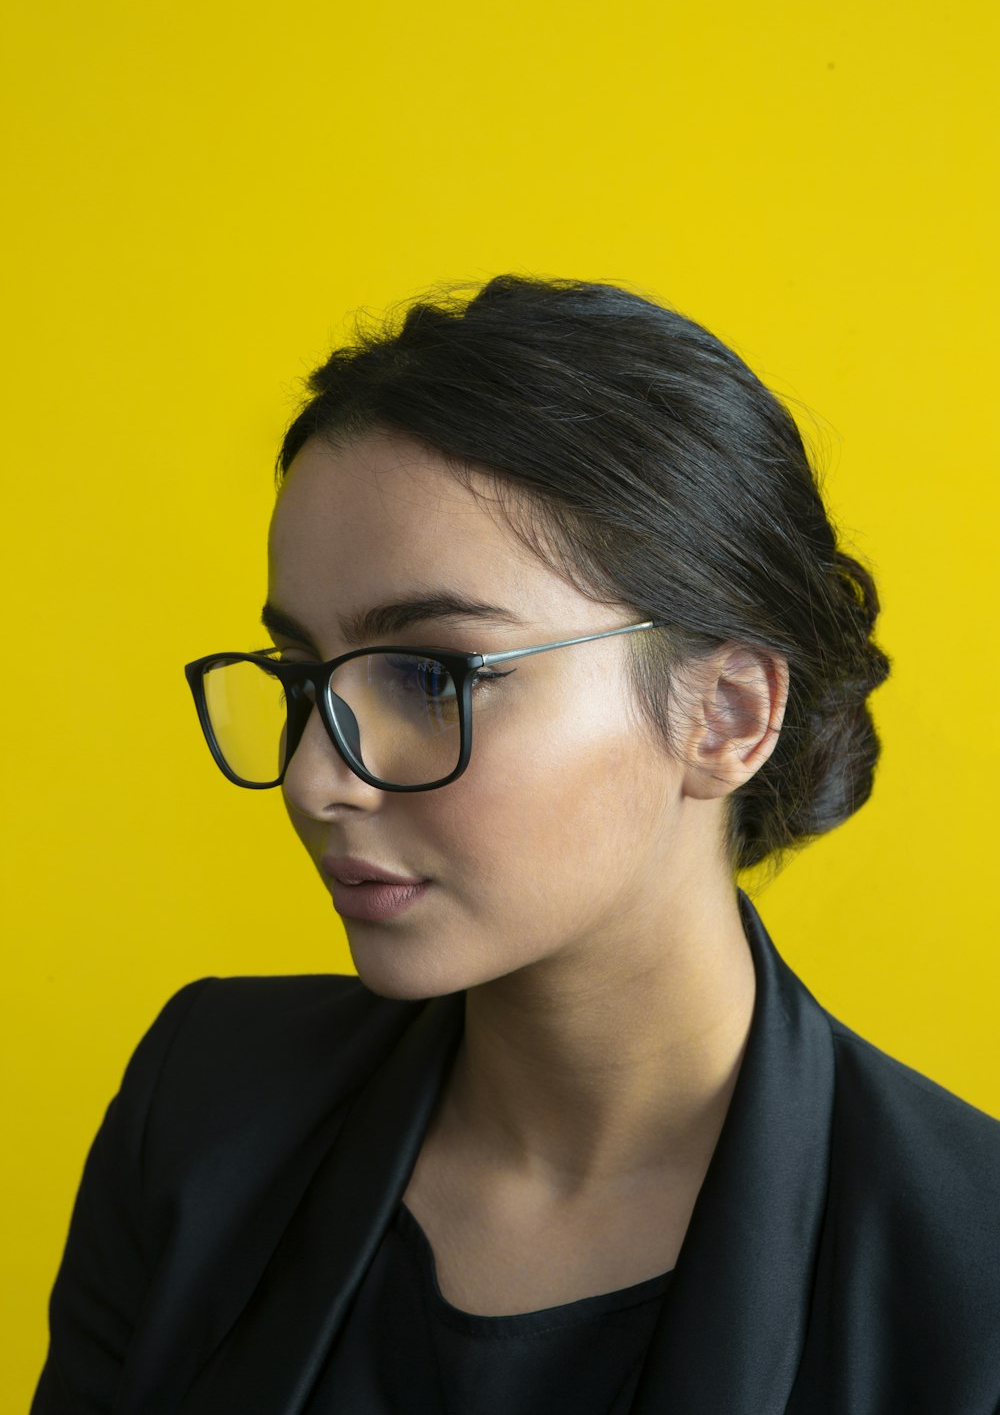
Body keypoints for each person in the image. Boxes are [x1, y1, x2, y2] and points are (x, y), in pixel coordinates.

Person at [32, 276, 1000, 1415]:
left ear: (727, 715)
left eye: (428, 675)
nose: (313, 778)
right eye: (303, 679)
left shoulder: (968, 1275)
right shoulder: (207, 1106)